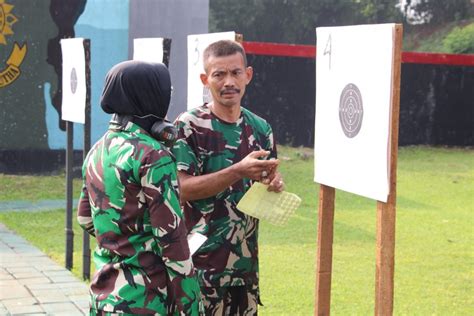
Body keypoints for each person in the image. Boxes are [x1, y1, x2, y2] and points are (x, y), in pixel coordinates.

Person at [77, 60, 202, 315]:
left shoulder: (98, 149)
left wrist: (124, 244)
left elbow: (84, 219)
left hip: (104, 297)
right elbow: (171, 241)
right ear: (149, 95)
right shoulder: (153, 154)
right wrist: (192, 306)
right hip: (147, 300)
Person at [172, 40, 284, 315]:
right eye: (219, 74)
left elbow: (266, 181)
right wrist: (237, 171)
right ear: (205, 79)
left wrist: (273, 186)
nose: (228, 82)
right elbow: (181, 189)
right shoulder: (189, 126)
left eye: (235, 73)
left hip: (245, 266)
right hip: (201, 268)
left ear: (248, 75)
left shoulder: (260, 128)